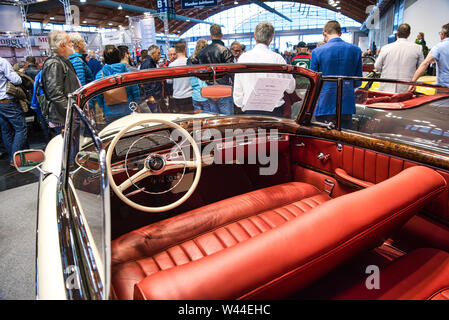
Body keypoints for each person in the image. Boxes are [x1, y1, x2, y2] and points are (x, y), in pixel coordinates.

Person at [233, 22, 295, 117]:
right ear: (271, 38)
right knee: (273, 132)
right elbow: (290, 88)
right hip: (274, 110)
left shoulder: (243, 58)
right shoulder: (278, 59)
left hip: (250, 110)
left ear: (254, 36)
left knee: (253, 132)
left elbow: (238, 89)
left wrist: (241, 104)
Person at [310, 20, 362, 129]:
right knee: (344, 140)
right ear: (340, 33)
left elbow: (313, 81)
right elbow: (358, 81)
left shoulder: (317, 52)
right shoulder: (356, 50)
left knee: (325, 140)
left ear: (324, 33)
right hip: (346, 103)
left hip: (324, 103)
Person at [188, 24, 234, 115]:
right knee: (228, 121)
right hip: (224, 89)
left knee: (213, 120)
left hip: (208, 90)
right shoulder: (225, 51)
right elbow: (232, 72)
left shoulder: (202, 52)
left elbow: (192, 67)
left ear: (210, 36)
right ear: (221, 35)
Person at [41, 30, 80, 134]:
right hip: (64, 119)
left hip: (67, 117)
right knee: (70, 149)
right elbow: (55, 94)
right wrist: (72, 113)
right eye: (69, 42)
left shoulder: (62, 62)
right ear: (62, 45)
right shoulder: (55, 63)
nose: (72, 44)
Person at [95, 45, 140, 124]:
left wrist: (102, 109)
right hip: (128, 109)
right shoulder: (127, 72)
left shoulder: (99, 75)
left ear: (104, 59)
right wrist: (137, 104)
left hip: (109, 112)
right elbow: (135, 90)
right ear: (119, 56)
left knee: (114, 135)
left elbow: (99, 96)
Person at [374, 23, 424, 93]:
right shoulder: (418, 48)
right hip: (407, 88)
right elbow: (421, 68)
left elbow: (377, 66)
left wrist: (387, 71)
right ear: (409, 34)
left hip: (386, 86)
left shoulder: (385, 48)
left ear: (397, 34)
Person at [0, 57, 27, 165]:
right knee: (21, 128)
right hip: (7, 100)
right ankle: (14, 159)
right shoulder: (2, 62)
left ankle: (13, 157)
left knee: (5, 131)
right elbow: (16, 80)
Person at [412, 23, 449, 89]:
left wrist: (412, 82)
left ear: (443, 34)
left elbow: (425, 63)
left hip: (444, 87)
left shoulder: (439, 47)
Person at [166, 41, 193, 113]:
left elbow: (169, 81)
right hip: (190, 95)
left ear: (176, 51)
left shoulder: (172, 65)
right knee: (194, 120)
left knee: (180, 120)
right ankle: (196, 125)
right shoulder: (191, 62)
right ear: (185, 49)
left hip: (177, 96)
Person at [140, 44, 164, 113]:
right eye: (158, 53)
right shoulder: (148, 63)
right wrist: (149, 95)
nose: (160, 55)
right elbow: (145, 81)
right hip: (152, 96)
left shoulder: (151, 63)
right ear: (153, 54)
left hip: (155, 95)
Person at [189, 40, 212, 113]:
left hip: (195, 96)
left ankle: (197, 125)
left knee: (197, 120)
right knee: (208, 119)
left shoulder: (191, 61)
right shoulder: (206, 62)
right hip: (205, 96)